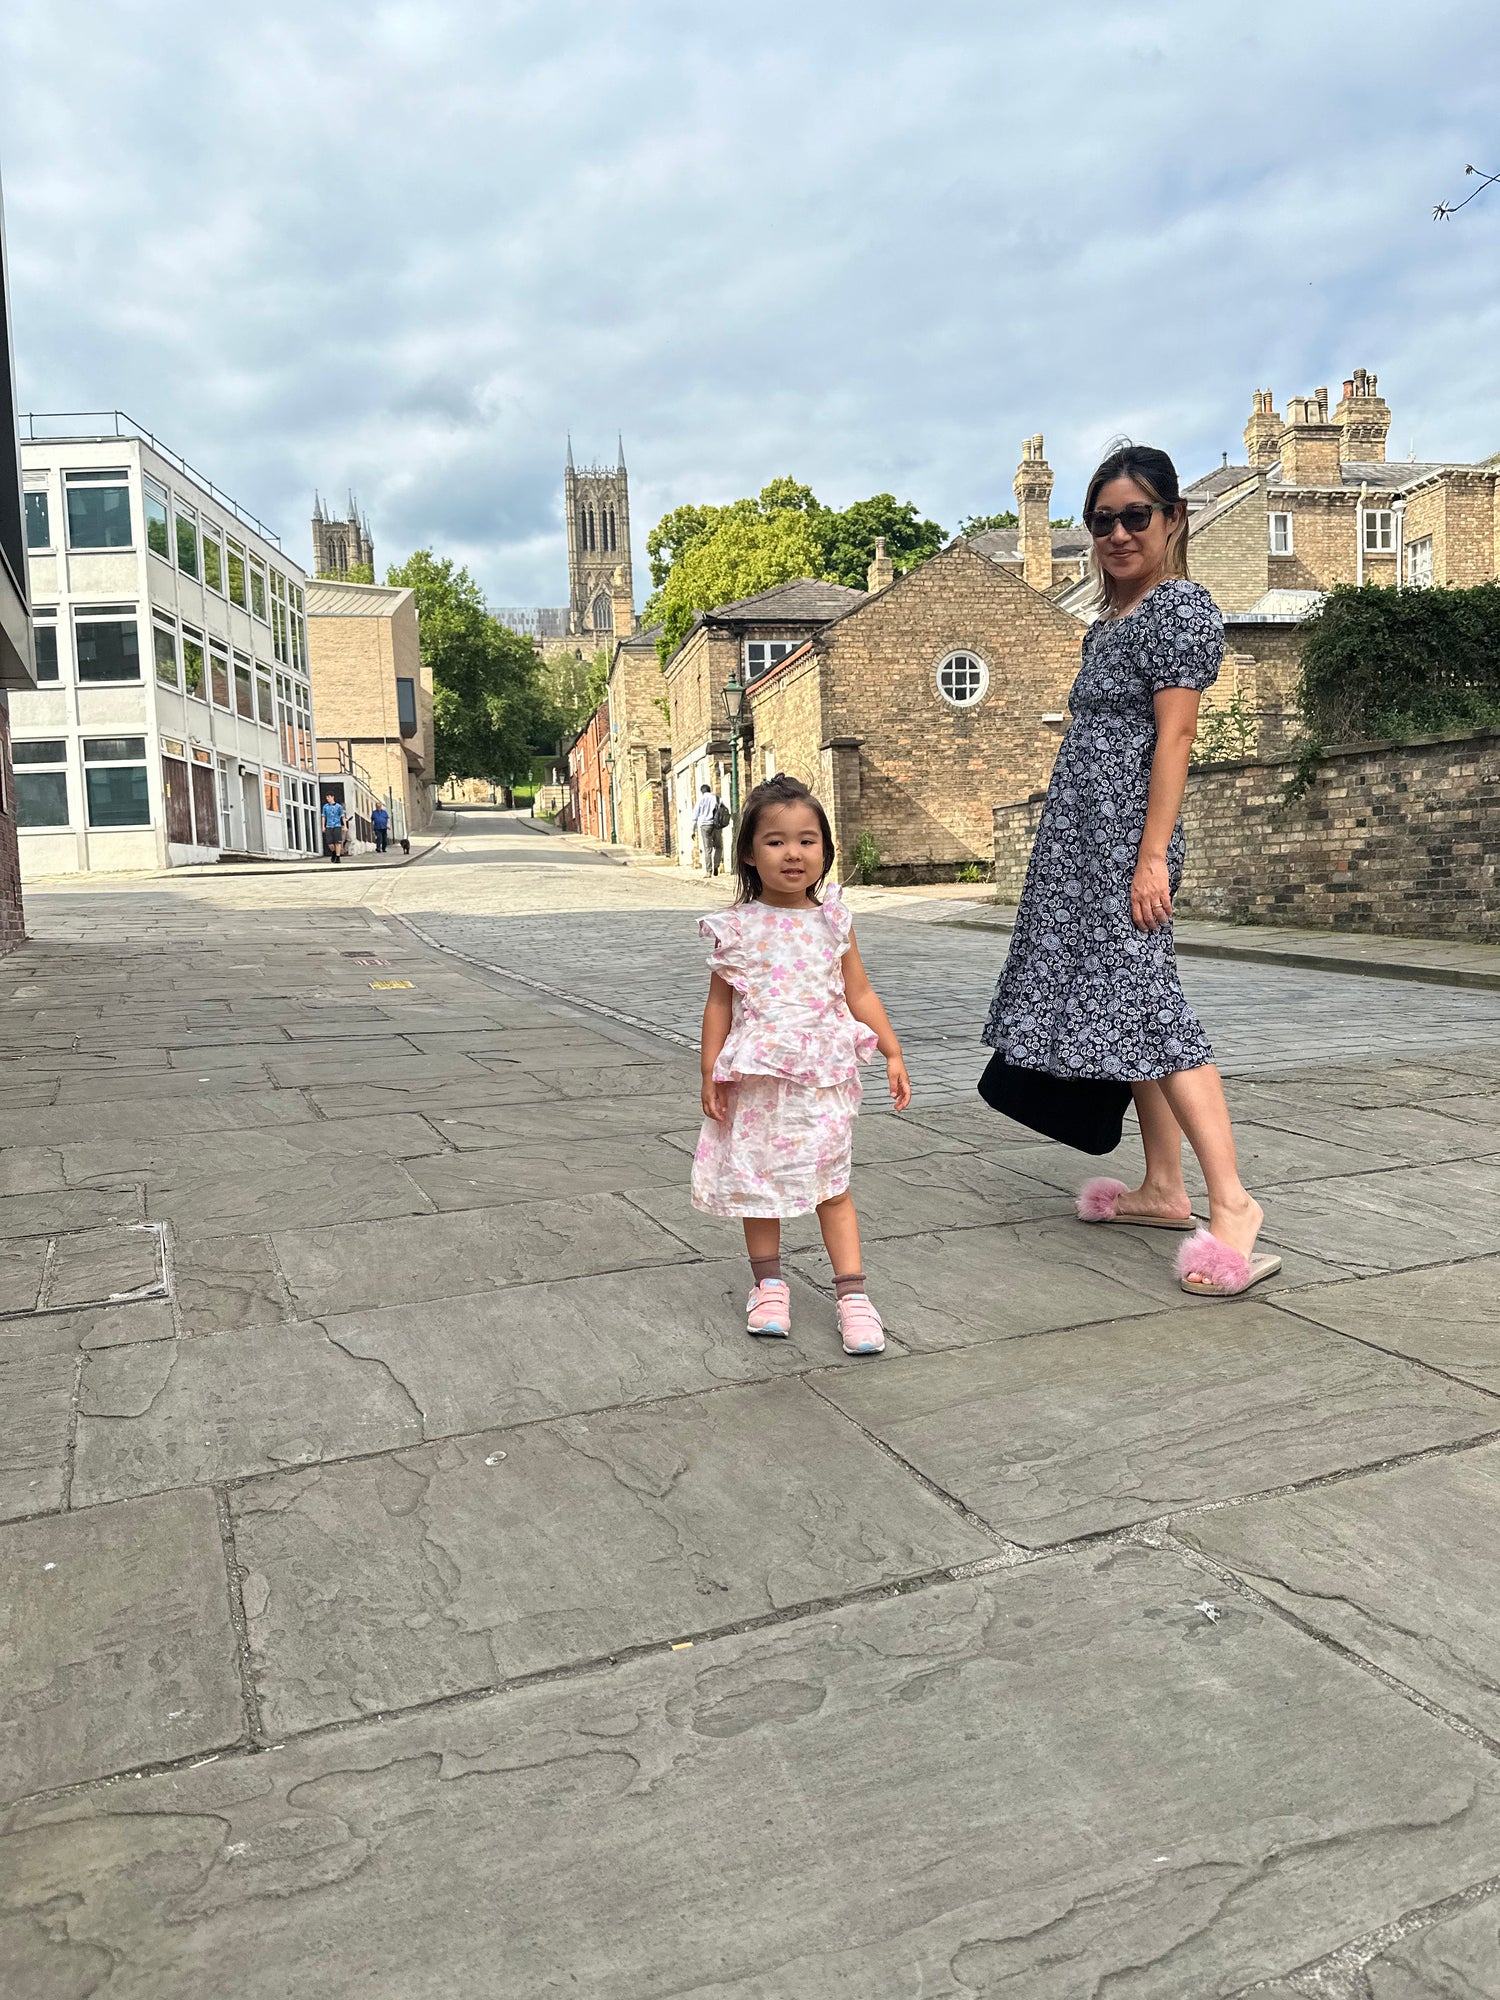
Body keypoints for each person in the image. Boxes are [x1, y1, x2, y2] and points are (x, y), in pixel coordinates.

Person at [981, 442, 1276, 1299]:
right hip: (1079, 848)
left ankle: (1233, 1204)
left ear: (1173, 518)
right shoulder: (1107, 623)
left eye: (1135, 515)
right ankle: (1164, 1186)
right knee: (1126, 1011)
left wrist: (1151, 856)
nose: (1117, 533)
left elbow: (1174, 738)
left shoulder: (1180, 609)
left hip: (1124, 848)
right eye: (1102, 519)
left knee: (1153, 1009)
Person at [692, 774, 911, 1354]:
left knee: (832, 1183)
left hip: (823, 1079)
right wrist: (710, 1071)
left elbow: (859, 992)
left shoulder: (834, 920)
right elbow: (719, 1005)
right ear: (748, 852)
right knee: (758, 1183)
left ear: (825, 850)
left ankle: (853, 1295)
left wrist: (891, 1049)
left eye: (807, 840)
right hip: (758, 1078)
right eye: (776, 841)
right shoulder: (737, 927)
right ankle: (768, 1286)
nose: (793, 853)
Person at [692, 782, 725, 875]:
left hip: (705, 826)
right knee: (718, 847)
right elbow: (723, 810)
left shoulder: (700, 800)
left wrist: (692, 830)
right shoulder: (717, 798)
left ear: (702, 791)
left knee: (708, 849)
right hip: (716, 825)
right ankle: (716, 864)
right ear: (710, 790)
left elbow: (695, 815)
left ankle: (708, 871)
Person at [321, 793, 346, 863]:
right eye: (327, 797)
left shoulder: (338, 806)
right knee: (330, 843)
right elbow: (323, 816)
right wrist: (323, 826)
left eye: (329, 797)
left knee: (337, 842)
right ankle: (334, 852)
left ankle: (338, 857)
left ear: (332, 797)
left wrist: (345, 825)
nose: (327, 798)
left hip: (337, 825)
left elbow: (342, 816)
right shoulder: (325, 807)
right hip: (329, 826)